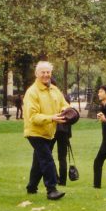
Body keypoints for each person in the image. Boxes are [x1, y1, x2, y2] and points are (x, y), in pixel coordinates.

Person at [23, 60, 73, 200]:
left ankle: (31, 187)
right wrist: (52, 118)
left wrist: (66, 111)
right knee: (47, 159)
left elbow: (64, 104)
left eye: (48, 72)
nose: (46, 75)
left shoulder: (54, 89)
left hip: (49, 132)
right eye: (43, 72)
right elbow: (33, 117)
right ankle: (52, 190)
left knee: (39, 161)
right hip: (35, 132)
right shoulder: (32, 92)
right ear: (36, 74)